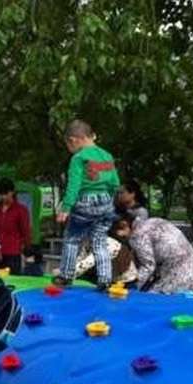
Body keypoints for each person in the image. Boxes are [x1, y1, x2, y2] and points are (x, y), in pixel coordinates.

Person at [54, 120, 121, 290]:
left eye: (68, 145)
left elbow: (74, 184)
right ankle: (105, 279)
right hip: (105, 201)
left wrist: (66, 207)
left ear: (73, 140)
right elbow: (115, 182)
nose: (69, 149)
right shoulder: (107, 156)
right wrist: (107, 199)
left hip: (85, 200)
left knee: (72, 239)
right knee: (99, 241)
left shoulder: (78, 158)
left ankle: (66, 275)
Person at [112, 216, 193, 294]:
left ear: (124, 225)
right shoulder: (151, 221)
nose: (122, 240)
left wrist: (133, 286)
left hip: (177, 272)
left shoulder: (137, 236)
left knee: (155, 300)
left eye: (119, 236)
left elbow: (148, 266)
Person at [0, 178, 31, 275]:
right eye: (0, 194)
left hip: (13, 254)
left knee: (11, 279)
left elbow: (26, 231)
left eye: (5, 193)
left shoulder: (21, 210)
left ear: (12, 192)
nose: (3, 197)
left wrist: (26, 248)